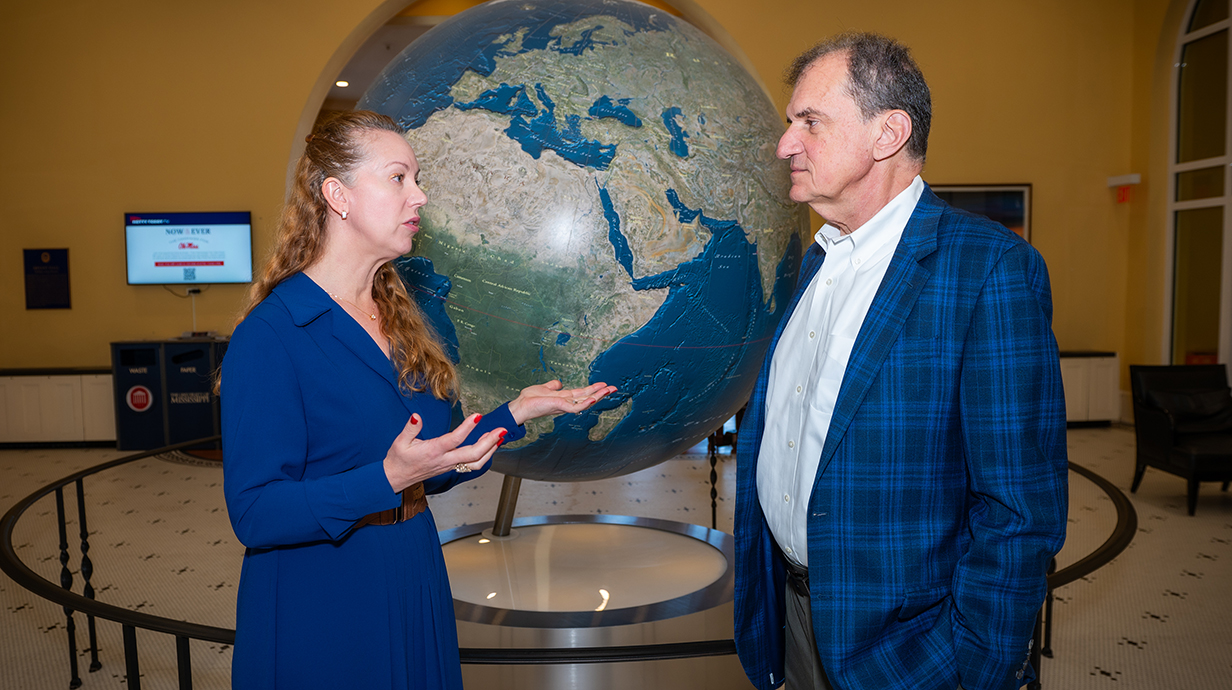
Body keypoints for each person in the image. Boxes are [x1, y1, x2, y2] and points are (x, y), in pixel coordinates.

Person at [220, 110, 615, 689]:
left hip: (411, 566)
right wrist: (384, 478)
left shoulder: (402, 320)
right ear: (338, 195)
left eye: (417, 178)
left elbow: (428, 461)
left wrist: (516, 413)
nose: (420, 196)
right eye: (399, 178)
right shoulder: (273, 334)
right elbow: (255, 514)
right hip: (326, 597)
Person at [732, 33, 1067, 690]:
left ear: (889, 132)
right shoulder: (813, 264)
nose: (784, 143)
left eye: (811, 122)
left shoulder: (989, 271)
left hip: (911, 656)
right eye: (789, 121)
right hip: (794, 623)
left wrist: (972, 670)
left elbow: (1018, 515)